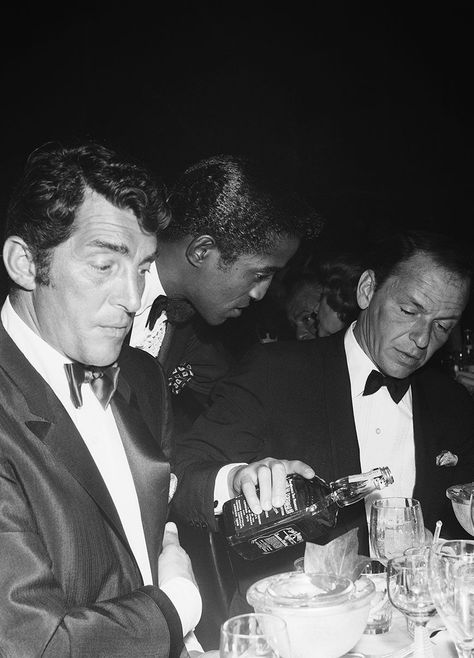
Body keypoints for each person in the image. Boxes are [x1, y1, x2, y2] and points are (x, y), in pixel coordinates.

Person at [172, 228, 474, 615]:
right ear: (367, 290)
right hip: (301, 626)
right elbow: (183, 473)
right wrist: (236, 479)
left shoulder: (451, 402)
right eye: (409, 311)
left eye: (442, 326)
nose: (420, 339)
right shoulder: (274, 372)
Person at [0, 142, 203, 657]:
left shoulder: (141, 376)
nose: (133, 299)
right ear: (26, 264)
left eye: (141, 268)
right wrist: (178, 608)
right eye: (104, 265)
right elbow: (33, 643)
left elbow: (142, 546)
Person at [129, 154, 323, 422]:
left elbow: (234, 404)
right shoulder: (96, 287)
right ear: (202, 251)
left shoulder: (194, 331)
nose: (260, 294)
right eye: (259, 275)